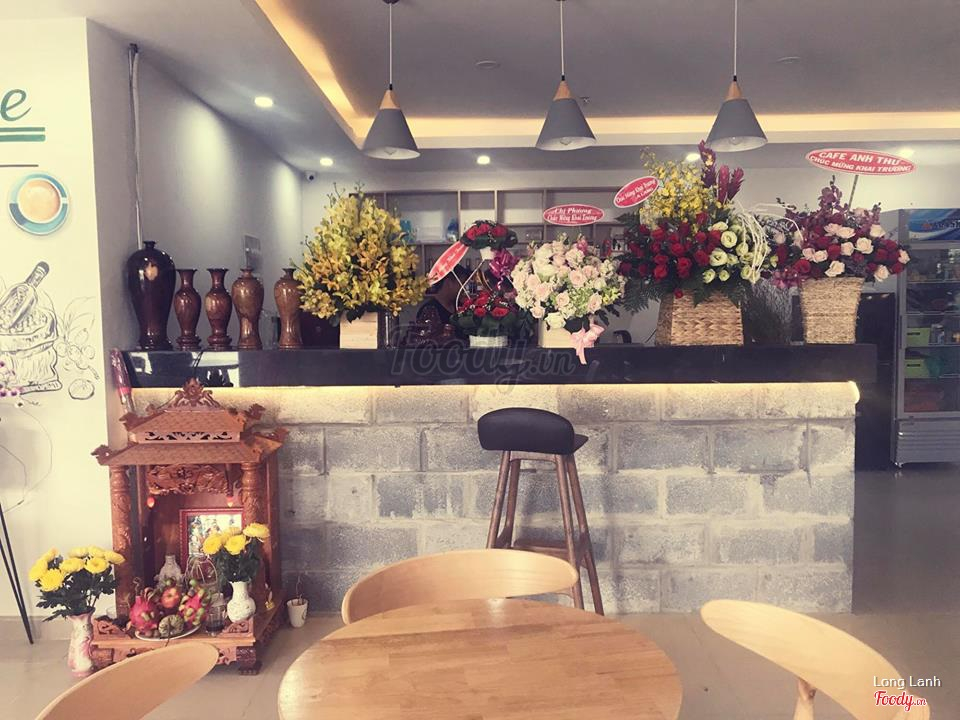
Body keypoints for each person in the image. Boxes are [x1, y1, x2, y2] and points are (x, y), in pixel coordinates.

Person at [414, 264, 470, 340]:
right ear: (449, 283)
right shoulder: (429, 310)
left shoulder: (461, 307)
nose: (464, 289)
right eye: (462, 284)